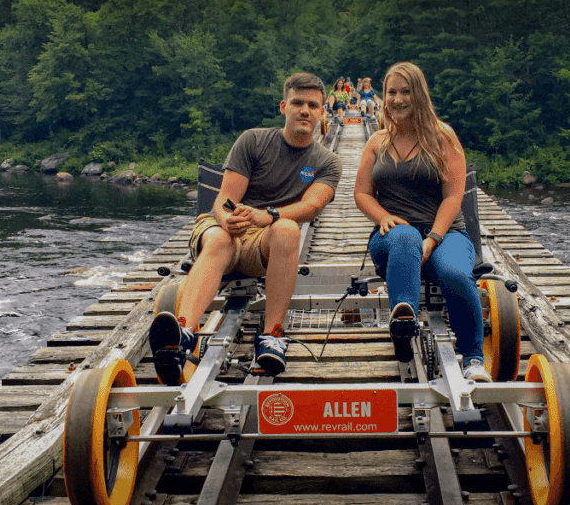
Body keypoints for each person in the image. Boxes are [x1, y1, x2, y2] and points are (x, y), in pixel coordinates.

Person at [151, 72, 343, 383]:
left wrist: (269, 215)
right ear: (284, 106)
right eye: (297, 103)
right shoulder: (253, 141)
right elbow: (225, 198)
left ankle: (272, 335)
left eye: (312, 105)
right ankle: (184, 332)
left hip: (266, 235)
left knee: (288, 229)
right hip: (229, 227)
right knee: (219, 241)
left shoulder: (328, 161)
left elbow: (312, 206)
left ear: (323, 112)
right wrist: (227, 219)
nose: (304, 110)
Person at [353, 62, 488, 382]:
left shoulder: (443, 137)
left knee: (455, 273)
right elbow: (361, 193)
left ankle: (473, 358)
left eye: (405, 92)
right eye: (391, 92)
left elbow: (453, 197)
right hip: (393, 235)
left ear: (419, 95)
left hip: (444, 231)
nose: (397, 99)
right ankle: (403, 322)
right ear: (383, 97)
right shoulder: (377, 142)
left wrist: (433, 238)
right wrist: (383, 216)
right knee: (405, 237)